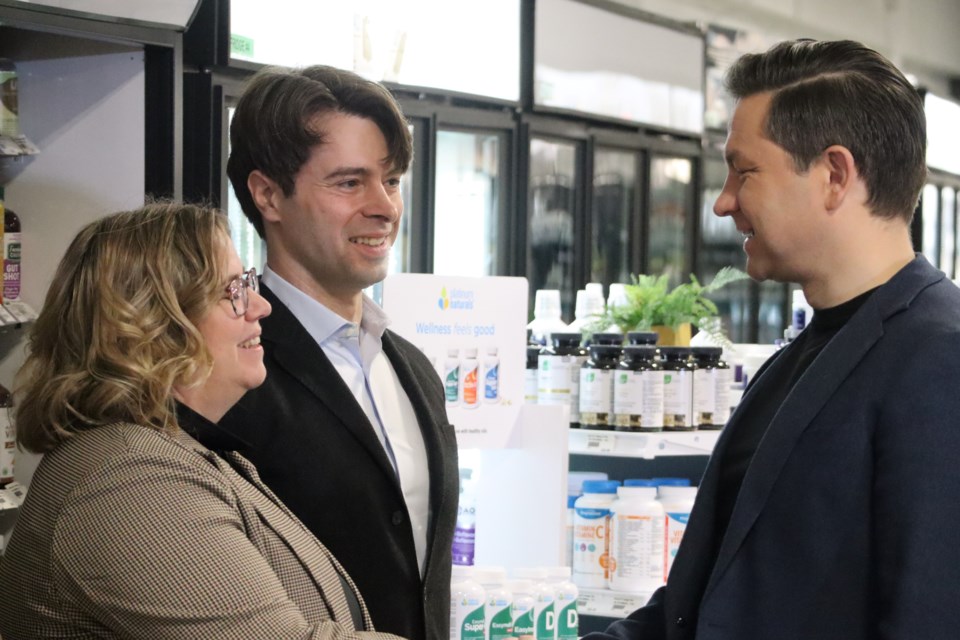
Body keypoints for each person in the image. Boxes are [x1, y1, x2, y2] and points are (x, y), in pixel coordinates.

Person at [586, 39, 960, 639]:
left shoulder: (940, 359)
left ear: (834, 176)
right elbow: (699, 604)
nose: (722, 201)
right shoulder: (792, 363)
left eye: (745, 170)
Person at [0, 203, 403, 640]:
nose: (260, 307)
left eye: (247, 282)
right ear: (153, 323)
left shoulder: (162, 452)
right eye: (231, 291)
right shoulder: (127, 479)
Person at [209, 65, 458, 640]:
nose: (385, 207)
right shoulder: (225, 372)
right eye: (349, 183)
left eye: (391, 180)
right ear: (267, 194)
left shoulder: (412, 368)